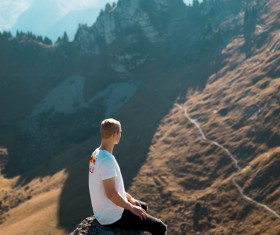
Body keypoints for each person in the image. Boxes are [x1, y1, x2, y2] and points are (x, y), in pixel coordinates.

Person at [88, 118, 167, 234]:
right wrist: (131, 207)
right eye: (120, 132)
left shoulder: (96, 154)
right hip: (110, 216)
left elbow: (110, 187)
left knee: (142, 207)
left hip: (101, 210)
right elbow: (111, 194)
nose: (120, 135)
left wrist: (130, 199)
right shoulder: (107, 160)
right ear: (115, 134)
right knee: (160, 227)